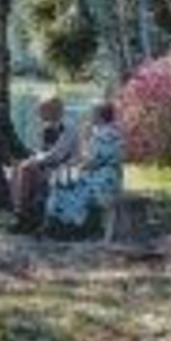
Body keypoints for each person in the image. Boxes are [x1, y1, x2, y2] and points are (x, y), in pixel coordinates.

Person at [44, 101, 125, 239]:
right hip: (113, 179)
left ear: (99, 116)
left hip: (101, 182)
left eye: (92, 113)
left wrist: (75, 166)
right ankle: (74, 227)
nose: (90, 116)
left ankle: (66, 229)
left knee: (63, 188)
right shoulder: (115, 133)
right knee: (70, 184)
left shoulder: (102, 135)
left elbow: (93, 162)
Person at [6, 94, 82, 232]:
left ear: (53, 111)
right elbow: (42, 150)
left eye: (42, 110)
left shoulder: (68, 128)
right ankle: (20, 211)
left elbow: (58, 154)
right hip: (50, 165)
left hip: (65, 168)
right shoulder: (47, 128)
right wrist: (33, 158)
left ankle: (23, 215)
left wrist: (35, 160)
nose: (39, 113)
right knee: (17, 167)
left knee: (25, 169)